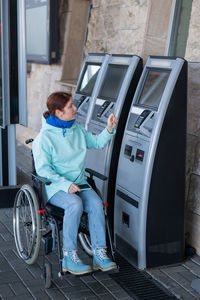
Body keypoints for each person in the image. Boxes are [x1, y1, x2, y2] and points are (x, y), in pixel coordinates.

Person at [32, 91, 118, 275]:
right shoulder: (44, 138)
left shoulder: (76, 129)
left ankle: (99, 255)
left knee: (95, 204)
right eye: (70, 106)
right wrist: (65, 185)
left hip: (78, 183)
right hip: (55, 187)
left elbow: (96, 142)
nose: (75, 109)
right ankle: (69, 258)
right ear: (58, 113)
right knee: (74, 203)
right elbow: (43, 170)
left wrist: (109, 128)